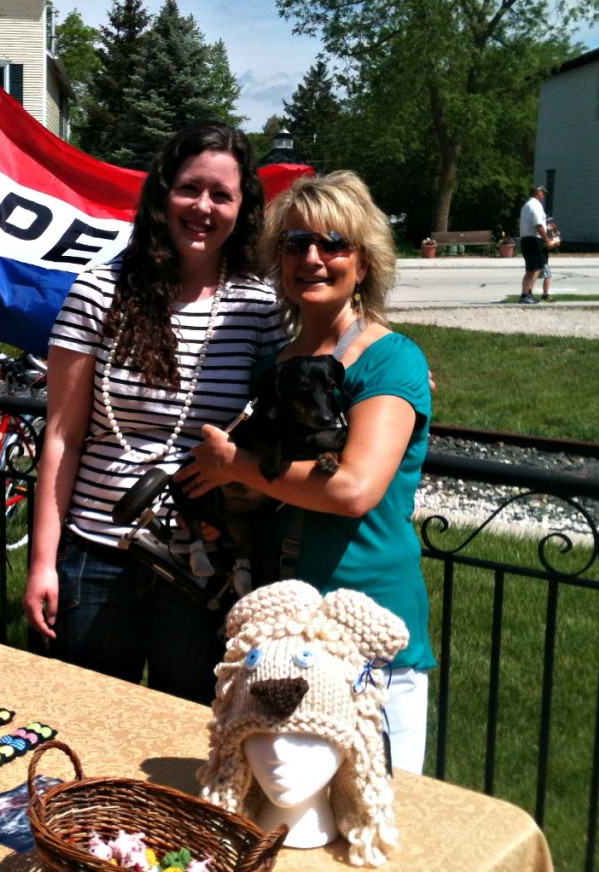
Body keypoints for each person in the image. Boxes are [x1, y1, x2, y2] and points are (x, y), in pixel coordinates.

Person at [177, 171, 435, 772]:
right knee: (283, 802)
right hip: (283, 627)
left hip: (370, 632)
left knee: (375, 799)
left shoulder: (391, 358)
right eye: (295, 244)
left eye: (333, 243)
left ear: (364, 262)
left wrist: (234, 465)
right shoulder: (276, 365)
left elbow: (352, 490)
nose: (312, 259)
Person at [22, 120, 285, 705]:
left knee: (182, 734)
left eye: (223, 195)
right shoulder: (99, 291)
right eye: (191, 188)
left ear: (243, 210)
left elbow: (311, 370)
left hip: (201, 565)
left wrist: (388, 364)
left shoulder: (258, 305)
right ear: (163, 193)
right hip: (94, 555)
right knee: (81, 723)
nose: (204, 207)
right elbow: (61, 436)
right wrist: (44, 562)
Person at [518, 185, 556, 304]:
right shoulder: (536, 205)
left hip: (525, 239)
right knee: (535, 268)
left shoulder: (526, 205)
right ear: (537, 193)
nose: (543, 195)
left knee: (531, 268)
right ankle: (526, 294)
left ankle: (526, 293)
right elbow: (538, 225)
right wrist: (546, 240)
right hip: (534, 240)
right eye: (542, 193)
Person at [540, 216, 560, 301]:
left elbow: (553, 245)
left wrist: (555, 241)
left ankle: (528, 292)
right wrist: (552, 240)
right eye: (551, 223)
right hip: (541, 257)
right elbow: (544, 244)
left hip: (543, 257)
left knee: (533, 275)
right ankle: (545, 294)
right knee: (548, 274)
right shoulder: (544, 233)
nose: (553, 225)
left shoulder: (549, 232)